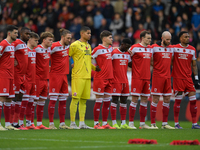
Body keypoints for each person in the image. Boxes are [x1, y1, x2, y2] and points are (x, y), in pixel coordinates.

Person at [69, 26, 100, 129]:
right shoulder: (74, 45)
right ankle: (73, 123)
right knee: (75, 99)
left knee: (83, 100)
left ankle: (82, 123)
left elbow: (88, 61)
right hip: (78, 76)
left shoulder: (89, 46)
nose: (90, 35)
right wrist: (72, 63)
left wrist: (95, 68)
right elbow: (67, 56)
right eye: (88, 33)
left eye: (90, 33)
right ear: (82, 33)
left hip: (87, 76)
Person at [172, 31, 200, 129]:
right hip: (178, 78)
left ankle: (194, 123)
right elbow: (170, 61)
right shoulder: (174, 48)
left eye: (188, 36)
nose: (188, 38)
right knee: (178, 101)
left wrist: (196, 78)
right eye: (186, 37)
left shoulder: (192, 49)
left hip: (188, 79)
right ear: (180, 38)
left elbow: (194, 64)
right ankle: (176, 124)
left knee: (193, 100)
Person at [150, 31, 175, 129]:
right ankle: (153, 124)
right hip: (157, 76)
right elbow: (150, 59)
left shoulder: (171, 49)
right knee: (155, 99)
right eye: (167, 39)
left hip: (167, 77)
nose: (169, 41)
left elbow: (172, 60)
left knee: (167, 99)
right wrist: (157, 67)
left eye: (170, 39)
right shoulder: (154, 47)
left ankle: (165, 124)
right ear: (162, 38)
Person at [48, 29, 72, 129]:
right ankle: (51, 124)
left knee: (63, 100)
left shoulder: (69, 47)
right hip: (55, 75)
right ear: (62, 37)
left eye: (70, 38)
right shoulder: (54, 46)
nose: (69, 40)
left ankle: (62, 123)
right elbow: (44, 55)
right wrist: (47, 66)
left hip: (64, 76)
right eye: (68, 38)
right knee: (53, 100)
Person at [129, 30, 153, 129]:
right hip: (137, 78)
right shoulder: (134, 48)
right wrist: (135, 67)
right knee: (134, 99)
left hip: (147, 78)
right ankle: (131, 123)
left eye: (150, 38)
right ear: (142, 38)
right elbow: (127, 59)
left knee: (144, 100)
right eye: (148, 38)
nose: (150, 40)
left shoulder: (151, 49)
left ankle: (142, 124)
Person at [92, 30, 115, 129]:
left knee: (107, 102)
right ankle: (96, 124)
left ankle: (105, 123)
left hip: (109, 78)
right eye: (110, 37)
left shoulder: (110, 49)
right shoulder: (97, 49)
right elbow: (89, 59)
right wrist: (94, 68)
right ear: (104, 39)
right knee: (99, 101)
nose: (112, 39)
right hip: (100, 78)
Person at [110, 38, 134, 129]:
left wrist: (133, 56)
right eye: (127, 46)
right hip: (116, 81)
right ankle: (114, 123)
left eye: (129, 47)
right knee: (115, 100)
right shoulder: (114, 53)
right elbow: (108, 63)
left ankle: (123, 123)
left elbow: (131, 65)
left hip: (125, 81)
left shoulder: (128, 54)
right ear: (122, 44)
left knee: (124, 101)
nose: (128, 48)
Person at [0, 25, 19, 130]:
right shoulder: (3, 44)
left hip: (11, 76)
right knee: (1, 98)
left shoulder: (11, 45)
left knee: (8, 99)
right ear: (9, 33)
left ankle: (8, 124)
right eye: (15, 33)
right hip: (3, 75)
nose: (17, 35)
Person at [11, 27, 31, 130]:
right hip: (16, 74)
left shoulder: (24, 45)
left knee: (19, 98)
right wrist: (13, 59)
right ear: (21, 34)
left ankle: (15, 123)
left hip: (23, 75)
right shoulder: (16, 42)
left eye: (29, 34)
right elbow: (9, 50)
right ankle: (10, 123)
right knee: (14, 98)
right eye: (27, 34)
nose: (28, 36)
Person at [35, 32, 54, 129]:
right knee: (32, 101)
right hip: (37, 79)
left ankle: (39, 124)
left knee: (42, 101)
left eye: (52, 40)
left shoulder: (49, 49)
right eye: (49, 40)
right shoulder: (37, 49)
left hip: (45, 79)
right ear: (44, 40)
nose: (51, 42)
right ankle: (28, 123)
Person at [24, 32, 39, 129]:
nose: (37, 42)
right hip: (26, 80)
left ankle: (29, 122)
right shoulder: (25, 50)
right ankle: (20, 122)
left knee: (31, 102)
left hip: (33, 80)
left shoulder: (34, 51)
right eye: (36, 40)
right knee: (23, 102)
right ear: (30, 40)